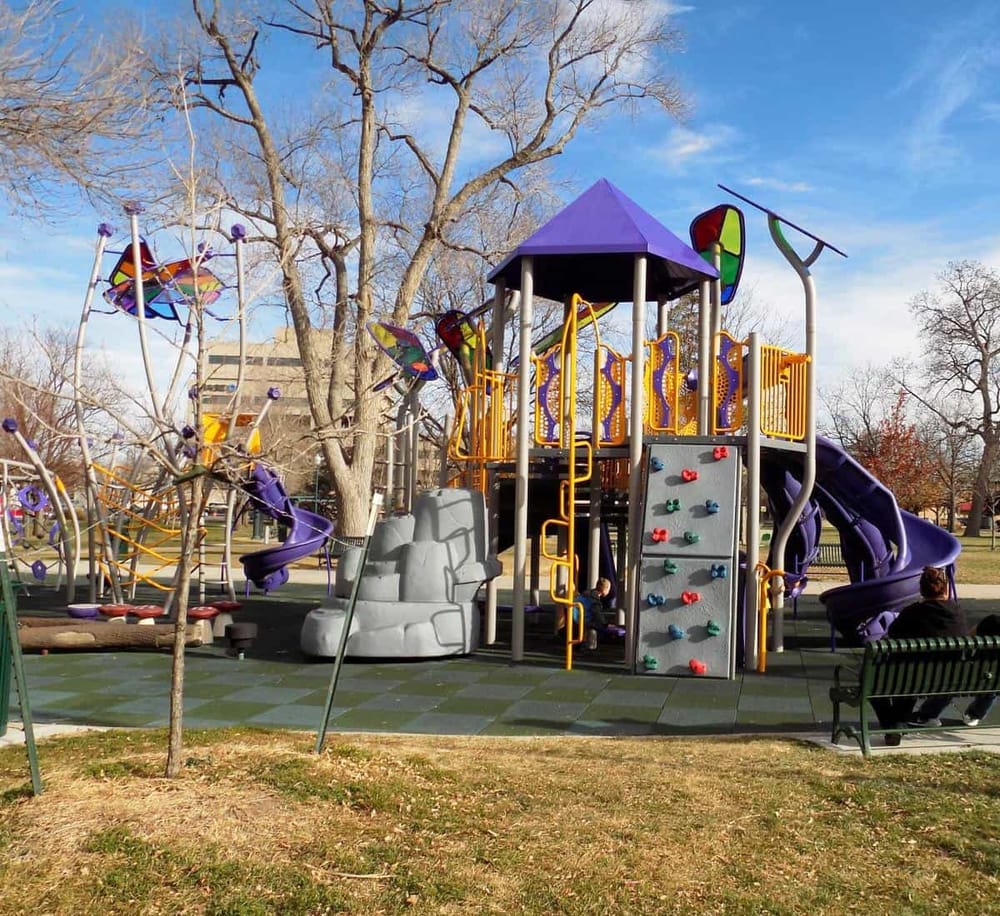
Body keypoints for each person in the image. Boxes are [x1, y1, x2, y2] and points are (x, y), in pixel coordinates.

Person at [869, 566, 966, 746]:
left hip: (913, 676)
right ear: (945, 588)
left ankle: (893, 726)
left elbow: (894, 633)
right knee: (912, 676)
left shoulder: (913, 612)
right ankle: (895, 725)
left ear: (921, 590)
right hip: (950, 677)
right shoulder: (957, 612)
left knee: (874, 682)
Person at [911, 612, 1000, 727]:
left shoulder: (993, 621)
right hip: (992, 679)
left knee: (953, 680)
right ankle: (975, 715)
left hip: (970, 673)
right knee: (992, 686)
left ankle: (927, 715)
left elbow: (968, 639)